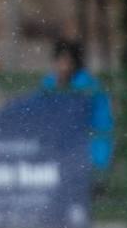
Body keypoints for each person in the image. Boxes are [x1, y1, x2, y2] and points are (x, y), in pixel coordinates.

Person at [39, 40, 114, 181]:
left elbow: (102, 125)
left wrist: (98, 162)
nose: (63, 66)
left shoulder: (89, 89)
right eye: (60, 60)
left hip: (83, 157)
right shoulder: (49, 86)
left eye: (67, 61)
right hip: (58, 155)